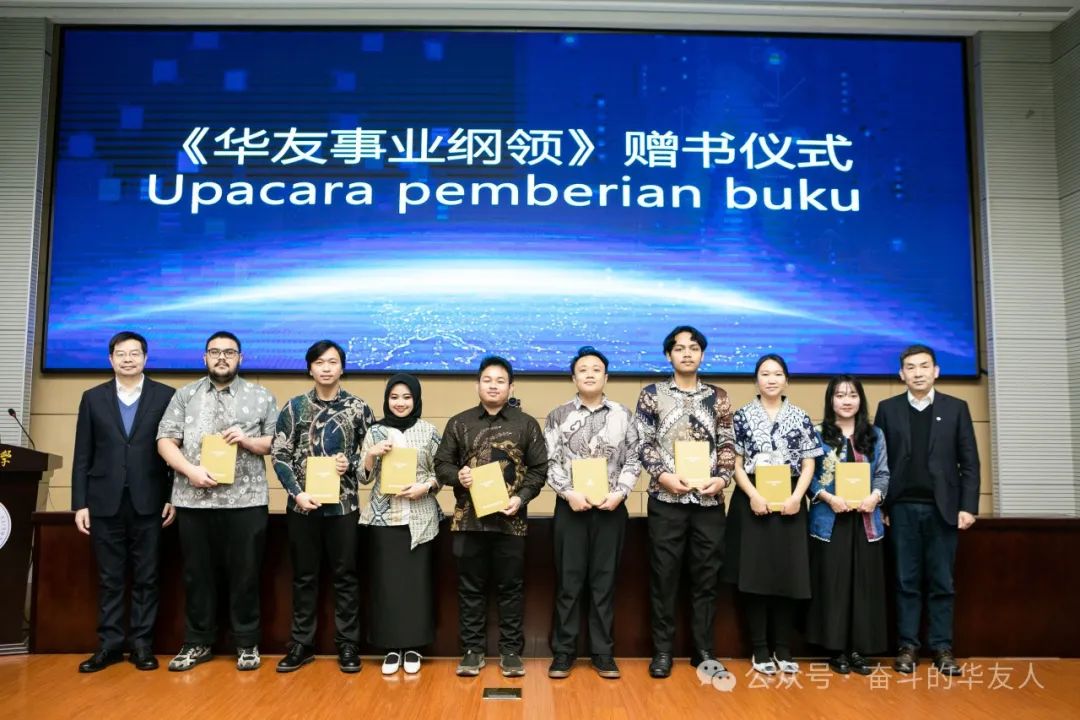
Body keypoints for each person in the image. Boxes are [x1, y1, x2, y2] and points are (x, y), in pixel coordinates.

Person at [156, 331, 278, 672]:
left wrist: (248, 441)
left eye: (229, 352)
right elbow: (165, 441)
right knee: (197, 575)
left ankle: (247, 643)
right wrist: (189, 471)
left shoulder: (260, 396)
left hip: (246, 501)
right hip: (194, 500)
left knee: (246, 575)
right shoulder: (185, 395)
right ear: (205, 357)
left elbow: (277, 443)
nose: (222, 357)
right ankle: (197, 642)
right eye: (215, 352)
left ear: (240, 358)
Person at [434, 356, 547, 678]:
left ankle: (511, 652)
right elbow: (441, 465)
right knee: (470, 589)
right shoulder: (459, 423)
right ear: (477, 385)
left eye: (500, 380)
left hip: (511, 522)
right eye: (487, 380)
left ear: (511, 387)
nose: (493, 386)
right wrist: (459, 476)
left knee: (511, 589)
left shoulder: (526, 424)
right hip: (468, 521)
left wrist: (521, 498)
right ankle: (472, 651)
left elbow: (540, 469)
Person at [633, 326, 735, 679]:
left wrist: (722, 478)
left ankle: (703, 650)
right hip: (667, 500)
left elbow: (727, 443)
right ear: (669, 355)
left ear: (702, 354)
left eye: (693, 348)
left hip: (709, 502)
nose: (687, 353)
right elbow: (643, 442)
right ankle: (662, 651)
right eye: (679, 348)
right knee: (664, 578)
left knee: (706, 579)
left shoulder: (718, 396)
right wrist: (663, 475)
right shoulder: (652, 395)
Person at [72, 331, 176, 673]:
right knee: (110, 578)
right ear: (110, 359)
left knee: (147, 577)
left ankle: (142, 646)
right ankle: (110, 646)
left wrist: (172, 496)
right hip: (104, 502)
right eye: (121, 353)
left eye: (134, 353)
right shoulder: (92, 398)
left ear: (145, 358)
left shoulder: (166, 396)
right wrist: (80, 503)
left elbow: (178, 451)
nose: (128, 359)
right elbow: (83, 453)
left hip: (150, 501)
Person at [874, 344, 980, 677]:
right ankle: (907, 647)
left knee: (941, 582)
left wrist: (968, 506)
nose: (917, 373)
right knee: (905, 581)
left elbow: (970, 462)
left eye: (924, 366)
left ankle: (942, 648)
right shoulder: (887, 409)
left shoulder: (956, 408)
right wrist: (883, 505)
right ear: (901, 374)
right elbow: (879, 462)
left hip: (943, 510)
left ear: (936, 371)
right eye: (911, 367)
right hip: (901, 509)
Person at [272, 340, 374, 674]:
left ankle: (348, 644)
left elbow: (369, 462)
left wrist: (351, 464)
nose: (326, 368)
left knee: (346, 577)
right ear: (310, 368)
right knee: (304, 577)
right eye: (319, 362)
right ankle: (301, 644)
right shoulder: (294, 407)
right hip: (303, 508)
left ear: (342, 367)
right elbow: (280, 455)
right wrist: (297, 493)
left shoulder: (359, 408)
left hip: (344, 509)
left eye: (332, 362)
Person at [544, 346, 640, 680]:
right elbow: (549, 461)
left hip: (611, 509)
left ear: (606, 377)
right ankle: (564, 652)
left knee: (604, 583)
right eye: (583, 369)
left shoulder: (623, 414)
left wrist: (620, 493)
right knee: (568, 583)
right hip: (571, 508)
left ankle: (602, 652)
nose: (589, 374)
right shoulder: (558, 415)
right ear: (574, 378)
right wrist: (568, 493)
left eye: (596, 369)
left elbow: (634, 458)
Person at [726, 353, 822, 675]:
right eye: (765, 374)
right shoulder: (741, 416)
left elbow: (809, 463)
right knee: (755, 576)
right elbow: (735, 464)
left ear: (786, 380)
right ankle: (760, 649)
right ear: (756, 380)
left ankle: (783, 648)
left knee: (787, 576)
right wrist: (753, 495)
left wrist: (797, 496)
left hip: (791, 500)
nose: (771, 379)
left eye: (777, 374)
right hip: (752, 499)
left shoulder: (801, 416)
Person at [359, 374, 443, 676]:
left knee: (416, 587)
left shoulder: (429, 431)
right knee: (387, 587)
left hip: (420, 520)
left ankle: (415, 647)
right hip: (385, 519)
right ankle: (391, 648)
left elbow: (442, 472)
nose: (400, 402)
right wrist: (371, 455)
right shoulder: (375, 431)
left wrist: (425, 486)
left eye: (407, 397)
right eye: (394, 397)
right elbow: (363, 477)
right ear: (387, 400)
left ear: (416, 400)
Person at [806, 375, 889, 675]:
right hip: (830, 522)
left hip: (866, 521)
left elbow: (883, 474)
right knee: (834, 586)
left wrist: (875, 496)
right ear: (831, 400)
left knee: (863, 586)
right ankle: (837, 650)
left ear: (860, 400)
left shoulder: (875, 434)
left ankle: (858, 650)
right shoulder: (817, 434)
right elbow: (808, 477)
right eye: (840, 395)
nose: (846, 401)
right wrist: (828, 497)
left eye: (852, 395)